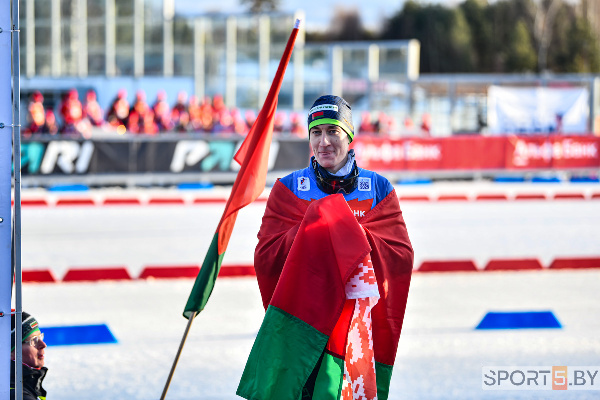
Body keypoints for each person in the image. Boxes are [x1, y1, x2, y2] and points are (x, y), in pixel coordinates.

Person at [237, 95, 413, 399]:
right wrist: (318, 231)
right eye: (316, 133)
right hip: (305, 325)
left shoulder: (379, 188)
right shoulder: (288, 188)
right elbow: (266, 256)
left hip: (355, 329)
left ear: (350, 135)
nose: (324, 142)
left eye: (333, 131)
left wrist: (347, 236)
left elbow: (400, 256)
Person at [10, 311, 48, 400]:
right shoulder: (18, 396)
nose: (43, 345)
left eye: (40, 337)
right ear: (10, 352)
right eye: (34, 340)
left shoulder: (25, 388)